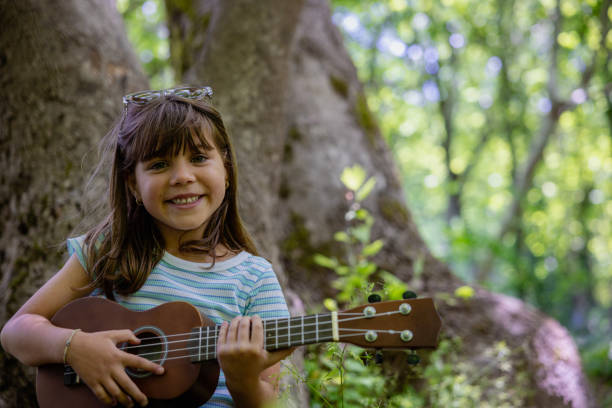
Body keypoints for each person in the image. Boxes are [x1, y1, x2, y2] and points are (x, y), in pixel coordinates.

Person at [0, 86, 293, 407]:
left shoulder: (255, 279)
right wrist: (74, 346)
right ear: (132, 184)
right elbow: (15, 332)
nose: (182, 176)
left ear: (226, 171)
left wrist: (242, 378)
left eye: (198, 158)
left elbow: (269, 403)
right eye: (158, 164)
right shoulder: (108, 251)